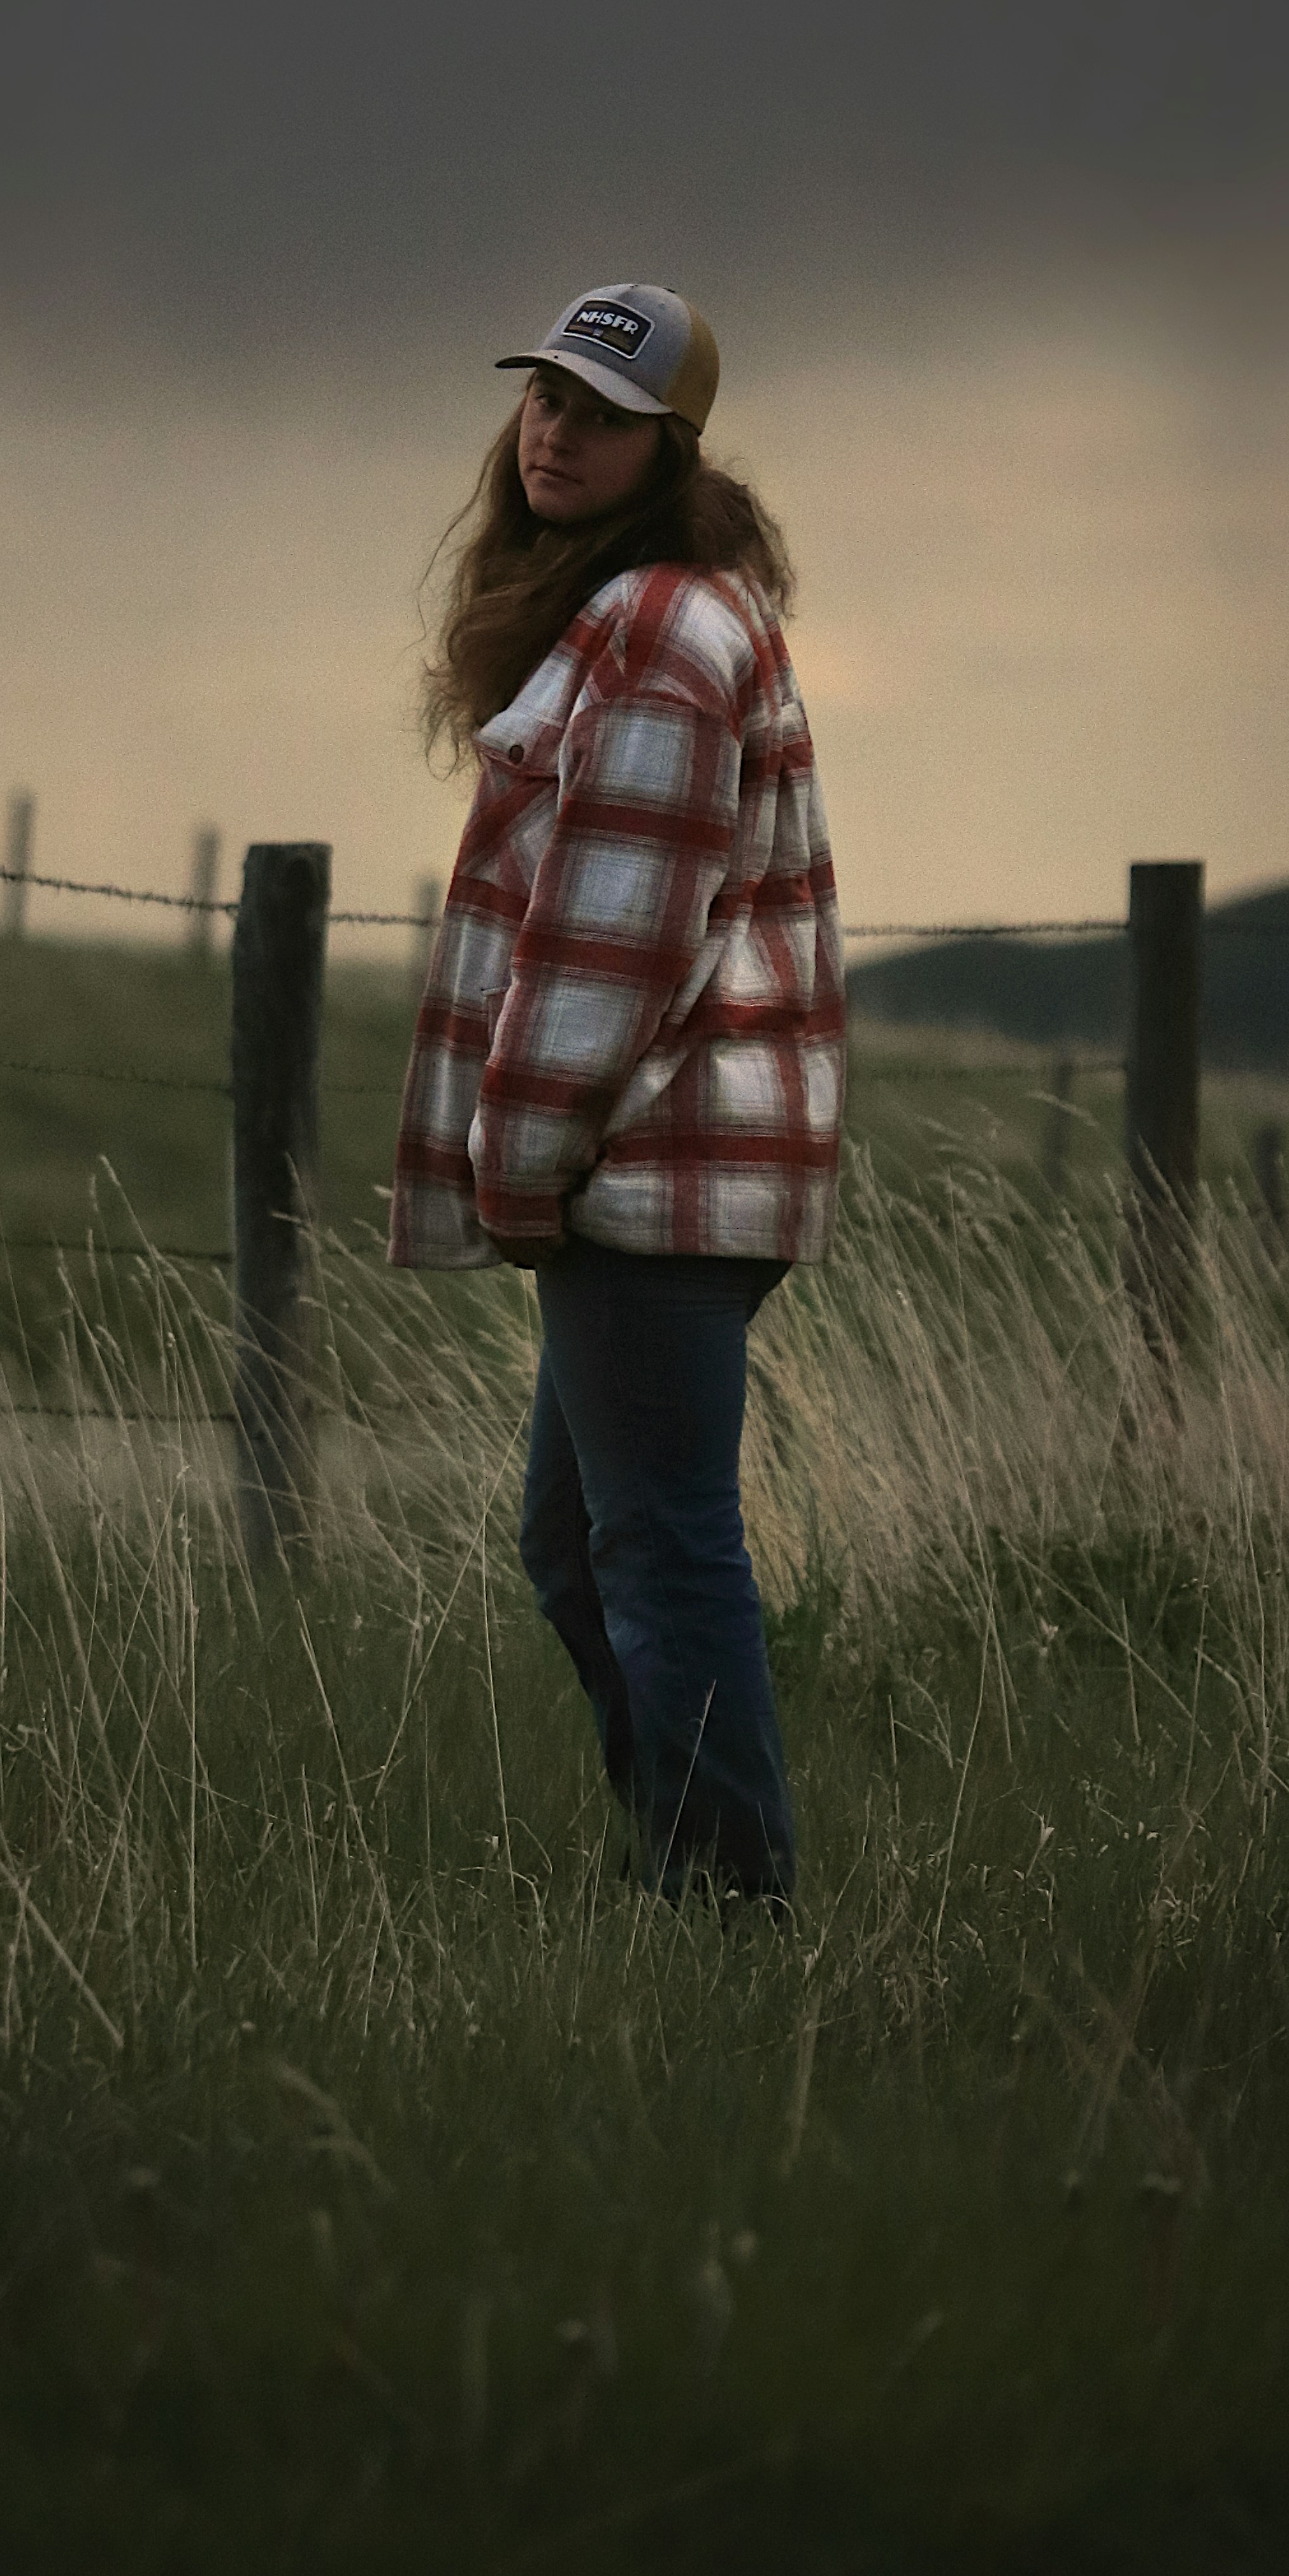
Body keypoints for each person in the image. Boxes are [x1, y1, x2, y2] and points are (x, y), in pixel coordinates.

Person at [389, 280, 846, 1910]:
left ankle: (725, 1908)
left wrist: (512, 1172)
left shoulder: (657, 634)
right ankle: (682, 1870)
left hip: (650, 1173)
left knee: (652, 1553)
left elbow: (607, 952)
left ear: (672, 449)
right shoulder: (657, 615)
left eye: (598, 414)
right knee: (588, 1551)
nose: (552, 433)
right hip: (673, 1169)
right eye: (543, 400)